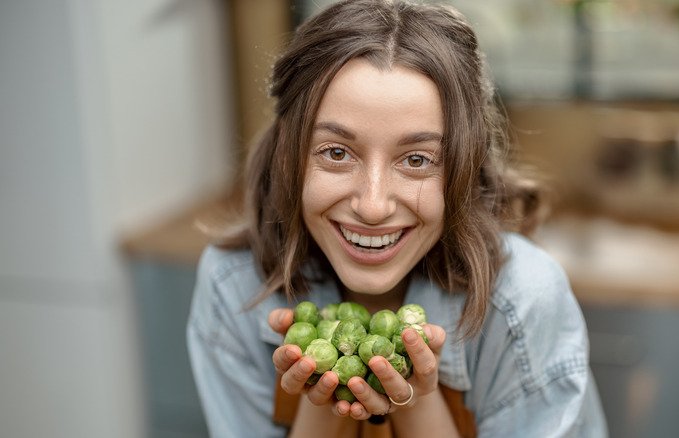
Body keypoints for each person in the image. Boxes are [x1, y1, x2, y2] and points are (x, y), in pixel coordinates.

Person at [187, 0, 607, 436]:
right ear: (287, 155)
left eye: (417, 159)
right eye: (336, 152)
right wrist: (325, 396)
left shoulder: (523, 302)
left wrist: (416, 402)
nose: (372, 206)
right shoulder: (232, 286)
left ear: (464, 169)